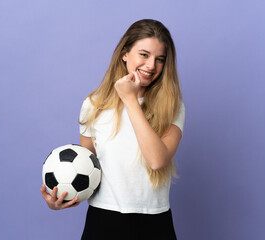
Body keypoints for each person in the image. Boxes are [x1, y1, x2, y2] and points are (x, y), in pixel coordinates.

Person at [41, 19, 185, 240]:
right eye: (144, 55)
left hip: (155, 221)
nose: (151, 65)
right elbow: (87, 168)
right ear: (125, 53)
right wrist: (60, 199)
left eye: (160, 59)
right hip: (103, 220)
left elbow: (157, 160)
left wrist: (130, 100)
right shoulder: (94, 104)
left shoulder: (172, 106)